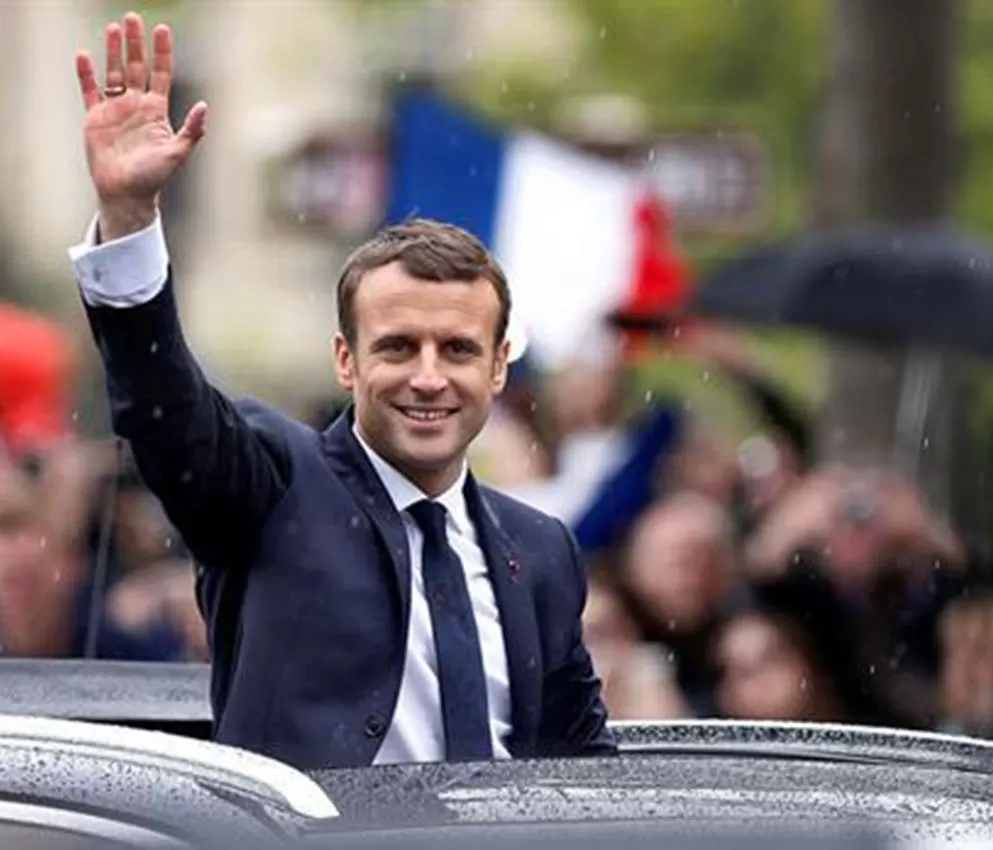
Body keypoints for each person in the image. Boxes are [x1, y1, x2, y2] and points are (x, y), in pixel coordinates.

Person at [66, 11, 614, 769]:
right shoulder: (274, 483)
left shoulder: (541, 549)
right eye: (397, 347)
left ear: (497, 369)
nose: (428, 376)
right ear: (345, 362)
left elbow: (581, 767)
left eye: (457, 349)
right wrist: (130, 219)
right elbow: (165, 414)